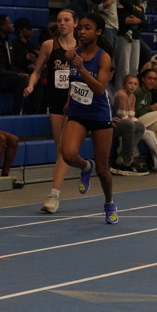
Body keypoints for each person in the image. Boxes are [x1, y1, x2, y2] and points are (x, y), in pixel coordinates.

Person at [59, 13, 118, 224]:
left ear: (98, 32)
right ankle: (85, 166)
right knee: (68, 154)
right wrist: (69, 99)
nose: (82, 32)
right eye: (80, 28)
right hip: (78, 113)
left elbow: (100, 89)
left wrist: (82, 68)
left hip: (99, 114)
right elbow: (72, 81)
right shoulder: (72, 54)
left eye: (87, 28)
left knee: (103, 169)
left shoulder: (104, 57)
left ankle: (109, 202)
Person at [26, 9, 77, 213]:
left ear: (75, 23)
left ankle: (53, 196)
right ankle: (85, 166)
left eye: (66, 20)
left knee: (64, 149)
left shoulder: (81, 47)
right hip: (55, 101)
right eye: (59, 20)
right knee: (62, 150)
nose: (62, 23)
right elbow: (37, 71)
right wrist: (31, 85)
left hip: (75, 102)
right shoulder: (49, 45)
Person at [110, 74, 151, 175]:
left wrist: (134, 120)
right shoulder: (121, 95)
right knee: (129, 124)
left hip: (125, 122)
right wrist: (131, 119)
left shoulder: (132, 96)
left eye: (135, 84)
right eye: (130, 83)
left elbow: (131, 115)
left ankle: (121, 157)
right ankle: (127, 161)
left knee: (140, 126)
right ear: (124, 84)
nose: (133, 86)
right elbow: (122, 116)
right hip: (114, 124)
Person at [114, 0, 145, 90]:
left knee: (134, 69)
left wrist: (139, 21)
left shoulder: (140, 6)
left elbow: (145, 23)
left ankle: (131, 95)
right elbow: (119, 19)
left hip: (136, 38)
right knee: (124, 68)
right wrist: (128, 20)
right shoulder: (122, 2)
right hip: (123, 36)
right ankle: (119, 94)